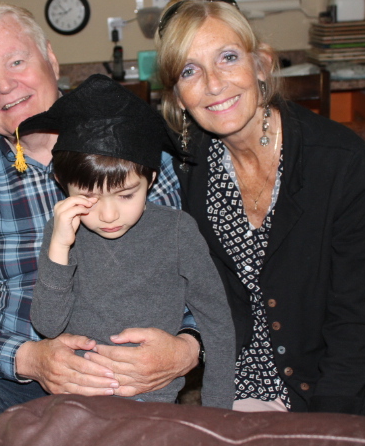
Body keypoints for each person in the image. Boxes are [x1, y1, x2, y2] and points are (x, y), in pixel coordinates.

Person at [0, 2, 202, 440]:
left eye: (16, 62)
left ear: (51, 59)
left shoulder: (134, 146)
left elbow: (204, 276)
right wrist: (30, 358)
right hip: (15, 381)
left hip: (132, 371)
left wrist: (187, 346)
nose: (5, 86)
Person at [154, 0, 365, 421]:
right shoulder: (187, 167)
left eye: (228, 58)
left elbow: (358, 319)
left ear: (261, 64)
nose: (213, 84)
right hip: (248, 380)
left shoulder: (338, 161)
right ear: (178, 96)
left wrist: (326, 426)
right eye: (189, 71)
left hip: (349, 382)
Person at [23, 74, 235, 406]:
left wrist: (219, 409)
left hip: (152, 398)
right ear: (62, 182)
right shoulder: (62, 231)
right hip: (78, 397)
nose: (109, 215)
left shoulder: (177, 230)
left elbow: (216, 318)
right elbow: (48, 326)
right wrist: (59, 249)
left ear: (151, 178)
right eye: (89, 197)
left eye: (125, 195)